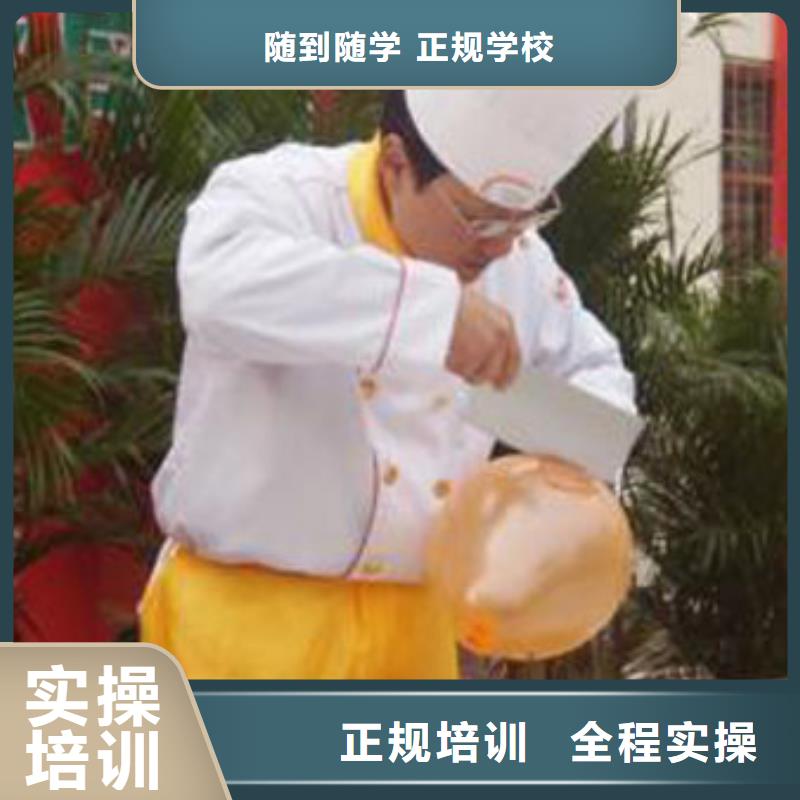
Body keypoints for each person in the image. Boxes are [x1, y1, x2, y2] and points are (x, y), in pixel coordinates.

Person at [139, 88, 636, 679]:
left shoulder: (518, 262)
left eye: (524, 218)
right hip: (248, 624)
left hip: (418, 633)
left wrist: (556, 465)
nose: (502, 244)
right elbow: (217, 289)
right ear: (396, 161)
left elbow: (594, 375)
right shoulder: (283, 194)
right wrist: (429, 315)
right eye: (479, 219)